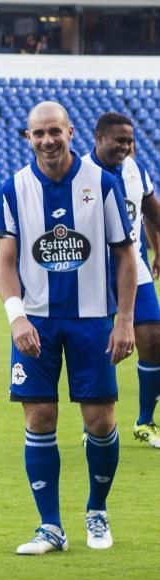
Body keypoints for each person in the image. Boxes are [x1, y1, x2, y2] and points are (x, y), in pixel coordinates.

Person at [0, 101, 136, 556]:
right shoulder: (13, 189)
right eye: (38, 134)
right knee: (39, 418)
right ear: (28, 138)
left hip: (92, 321)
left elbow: (125, 257)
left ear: (71, 132)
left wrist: (125, 320)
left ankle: (97, 510)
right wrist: (16, 315)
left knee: (100, 422)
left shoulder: (103, 185)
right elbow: (5, 263)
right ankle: (50, 526)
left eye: (54, 131)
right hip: (35, 321)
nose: (47, 141)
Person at [83, 112, 160, 447]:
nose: (126, 147)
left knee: (154, 337)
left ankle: (145, 422)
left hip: (133, 264)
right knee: (99, 347)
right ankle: (96, 426)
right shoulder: (81, 173)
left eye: (130, 141)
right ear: (99, 138)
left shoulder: (134, 170)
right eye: (119, 140)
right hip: (92, 271)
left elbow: (151, 210)